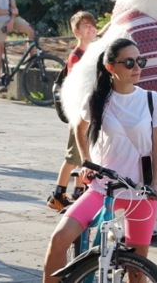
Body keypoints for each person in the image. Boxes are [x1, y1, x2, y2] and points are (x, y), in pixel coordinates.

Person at [43, 38, 157, 283]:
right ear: (111, 67)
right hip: (104, 188)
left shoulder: (152, 100)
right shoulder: (97, 98)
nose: (137, 67)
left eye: (140, 61)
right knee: (59, 239)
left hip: (141, 191)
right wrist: (86, 162)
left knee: (136, 268)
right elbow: (79, 128)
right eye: (129, 62)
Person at [47, 11, 98, 211]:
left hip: (87, 112)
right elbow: (77, 84)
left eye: (93, 25)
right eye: (86, 26)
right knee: (73, 156)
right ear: (77, 31)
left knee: (82, 155)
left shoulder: (90, 51)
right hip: (78, 113)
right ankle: (58, 194)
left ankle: (79, 192)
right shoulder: (76, 56)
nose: (91, 28)